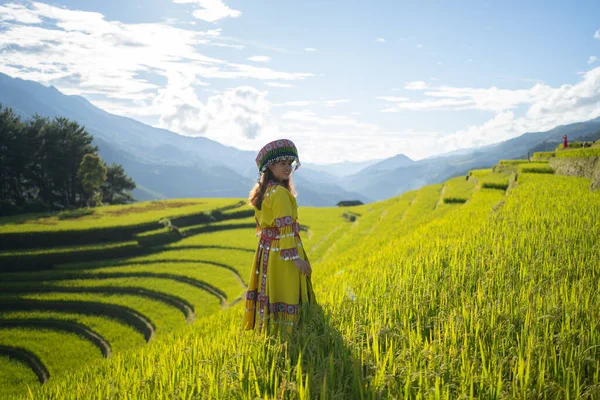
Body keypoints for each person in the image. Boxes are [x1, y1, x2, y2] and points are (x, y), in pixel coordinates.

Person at [242, 139, 315, 334]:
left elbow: (265, 228)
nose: (288, 168)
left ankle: (273, 330)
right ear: (270, 166)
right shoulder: (281, 194)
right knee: (287, 291)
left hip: (268, 252)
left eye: (289, 164)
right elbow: (285, 229)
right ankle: (292, 333)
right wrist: (295, 258)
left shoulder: (264, 192)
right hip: (283, 254)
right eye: (282, 163)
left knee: (272, 292)